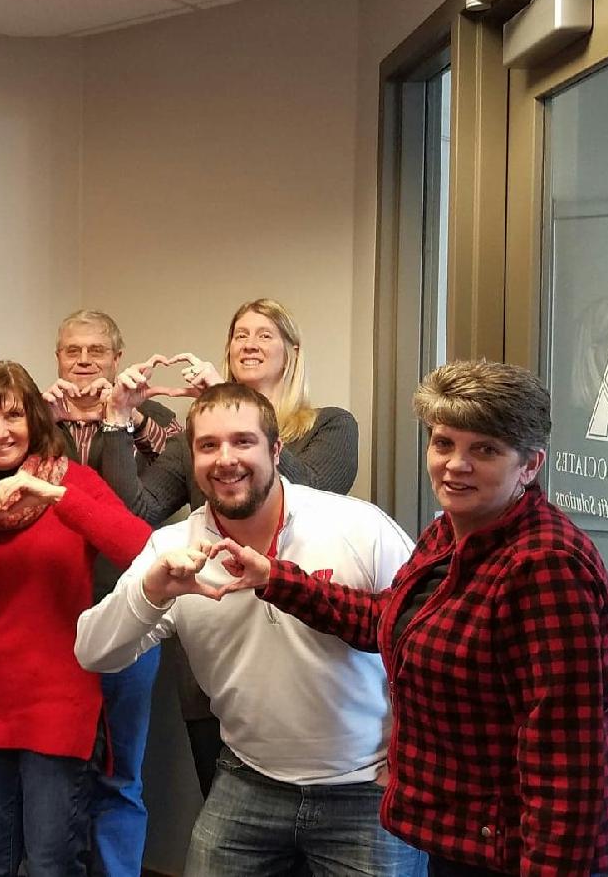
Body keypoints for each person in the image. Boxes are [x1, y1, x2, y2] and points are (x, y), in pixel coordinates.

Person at [204, 361, 608, 876]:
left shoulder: (544, 565)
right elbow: (389, 621)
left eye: (485, 449)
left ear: (530, 465)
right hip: (462, 836)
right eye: (444, 443)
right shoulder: (452, 534)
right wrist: (275, 578)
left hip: (516, 851)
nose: (456, 465)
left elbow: (566, 760)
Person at [76, 382, 424, 876]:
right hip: (249, 779)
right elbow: (93, 652)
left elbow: (425, 643)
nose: (225, 459)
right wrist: (151, 592)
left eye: (243, 441)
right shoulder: (172, 548)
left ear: (276, 450)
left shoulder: (357, 528)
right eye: (208, 445)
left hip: (363, 789)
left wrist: (411, 761)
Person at [103, 297, 359, 796]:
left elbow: (316, 498)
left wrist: (238, 421)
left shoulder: (331, 425)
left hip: (307, 648)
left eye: (264, 334)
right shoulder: (195, 439)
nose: (249, 342)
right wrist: (118, 417)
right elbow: (135, 512)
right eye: (240, 334)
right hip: (216, 654)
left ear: (292, 352)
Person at [0, 361, 152, 877]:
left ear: (35, 420)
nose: (0, 431)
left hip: (60, 703)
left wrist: (58, 499)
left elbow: (138, 548)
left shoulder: (73, 482)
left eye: (12, 416)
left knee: (54, 860)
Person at [42, 309, 178, 877]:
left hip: (129, 616)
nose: (82, 361)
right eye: (72, 350)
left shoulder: (158, 421)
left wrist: (126, 415)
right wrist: (45, 425)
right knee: (55, 770)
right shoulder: (32, 415)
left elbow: (137, 516)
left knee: (121, 771)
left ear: (117, 358)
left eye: (96, 351)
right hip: (49, 618)